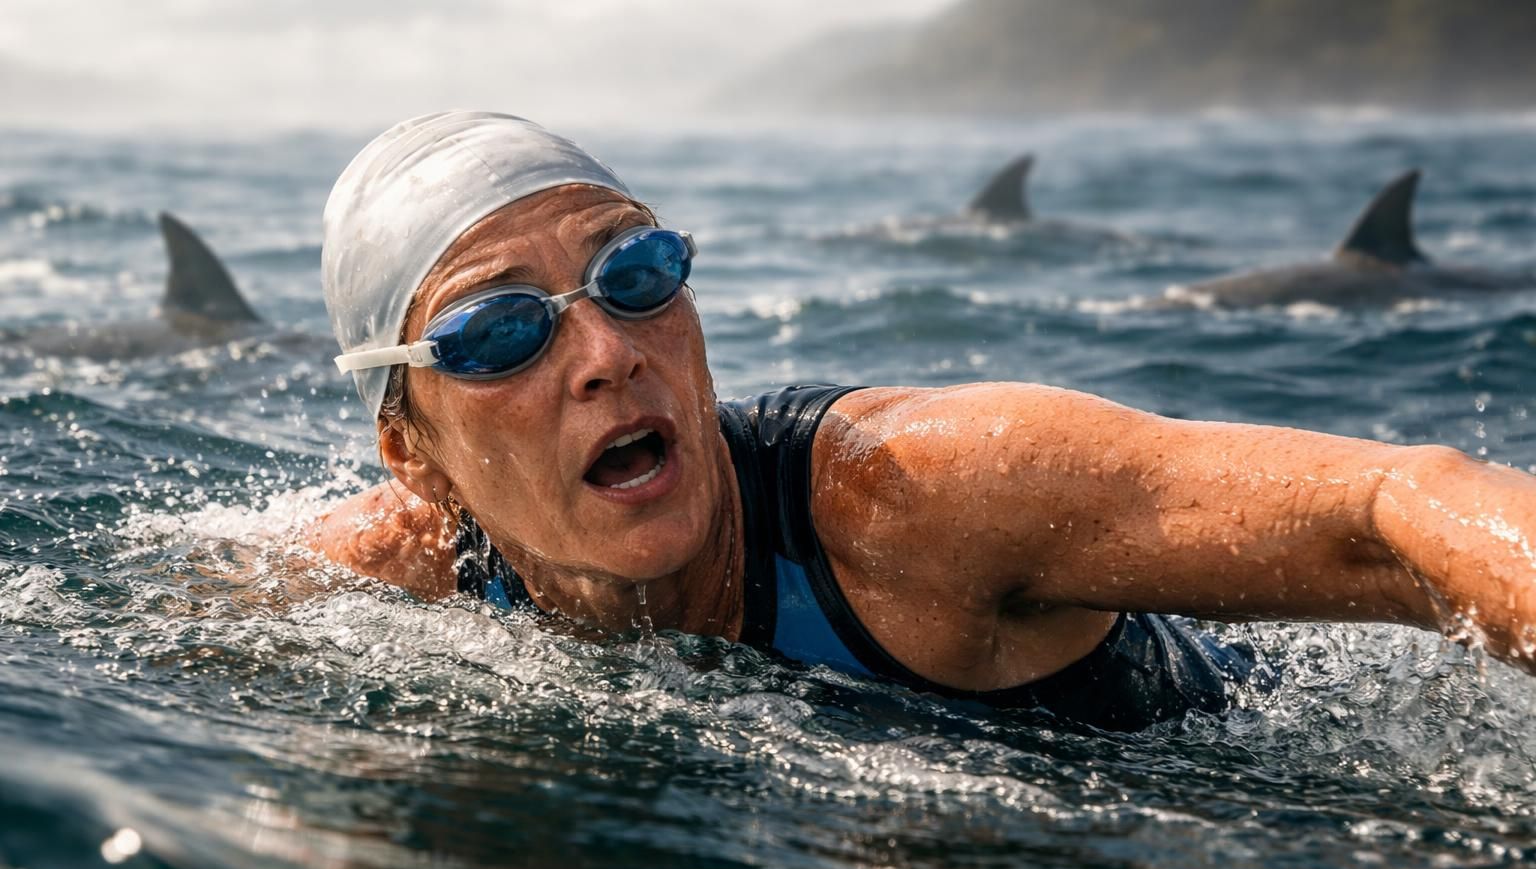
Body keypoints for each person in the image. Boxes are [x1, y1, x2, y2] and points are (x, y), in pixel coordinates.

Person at [307, 111, 1536, 732]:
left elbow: (1392, 508)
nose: (607, 353)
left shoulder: (913, 493)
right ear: (414, 454)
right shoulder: (399, 569)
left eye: (635, 274)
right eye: (499, 333)